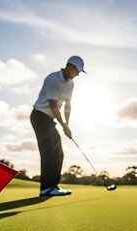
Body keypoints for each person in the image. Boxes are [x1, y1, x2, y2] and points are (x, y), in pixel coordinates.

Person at [30, 55, 85, 197]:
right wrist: (63, 126)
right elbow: (54, 107)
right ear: (69, 66)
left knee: (58, 153)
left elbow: (68, 105)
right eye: (77, 71)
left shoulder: (71, 84)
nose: (78, 74)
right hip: (40, 116)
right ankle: (46, 188)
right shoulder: (53, 79)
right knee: (49, 152)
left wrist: (67, 124)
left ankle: (52, 186)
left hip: (49, 119)